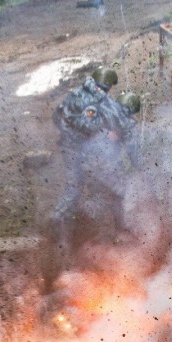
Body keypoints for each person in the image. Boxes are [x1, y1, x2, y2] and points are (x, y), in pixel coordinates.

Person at [51, 68, 136, 225]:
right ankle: (104, 223)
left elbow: (56, 117)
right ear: (106, 85)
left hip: (69, 146)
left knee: (75, 187)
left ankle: (59, 221)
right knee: (110, 185)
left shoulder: (75, 93)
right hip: (83, 150)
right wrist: (106, 131)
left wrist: (69, 132)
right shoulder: (95, 102)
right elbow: (89, 125)